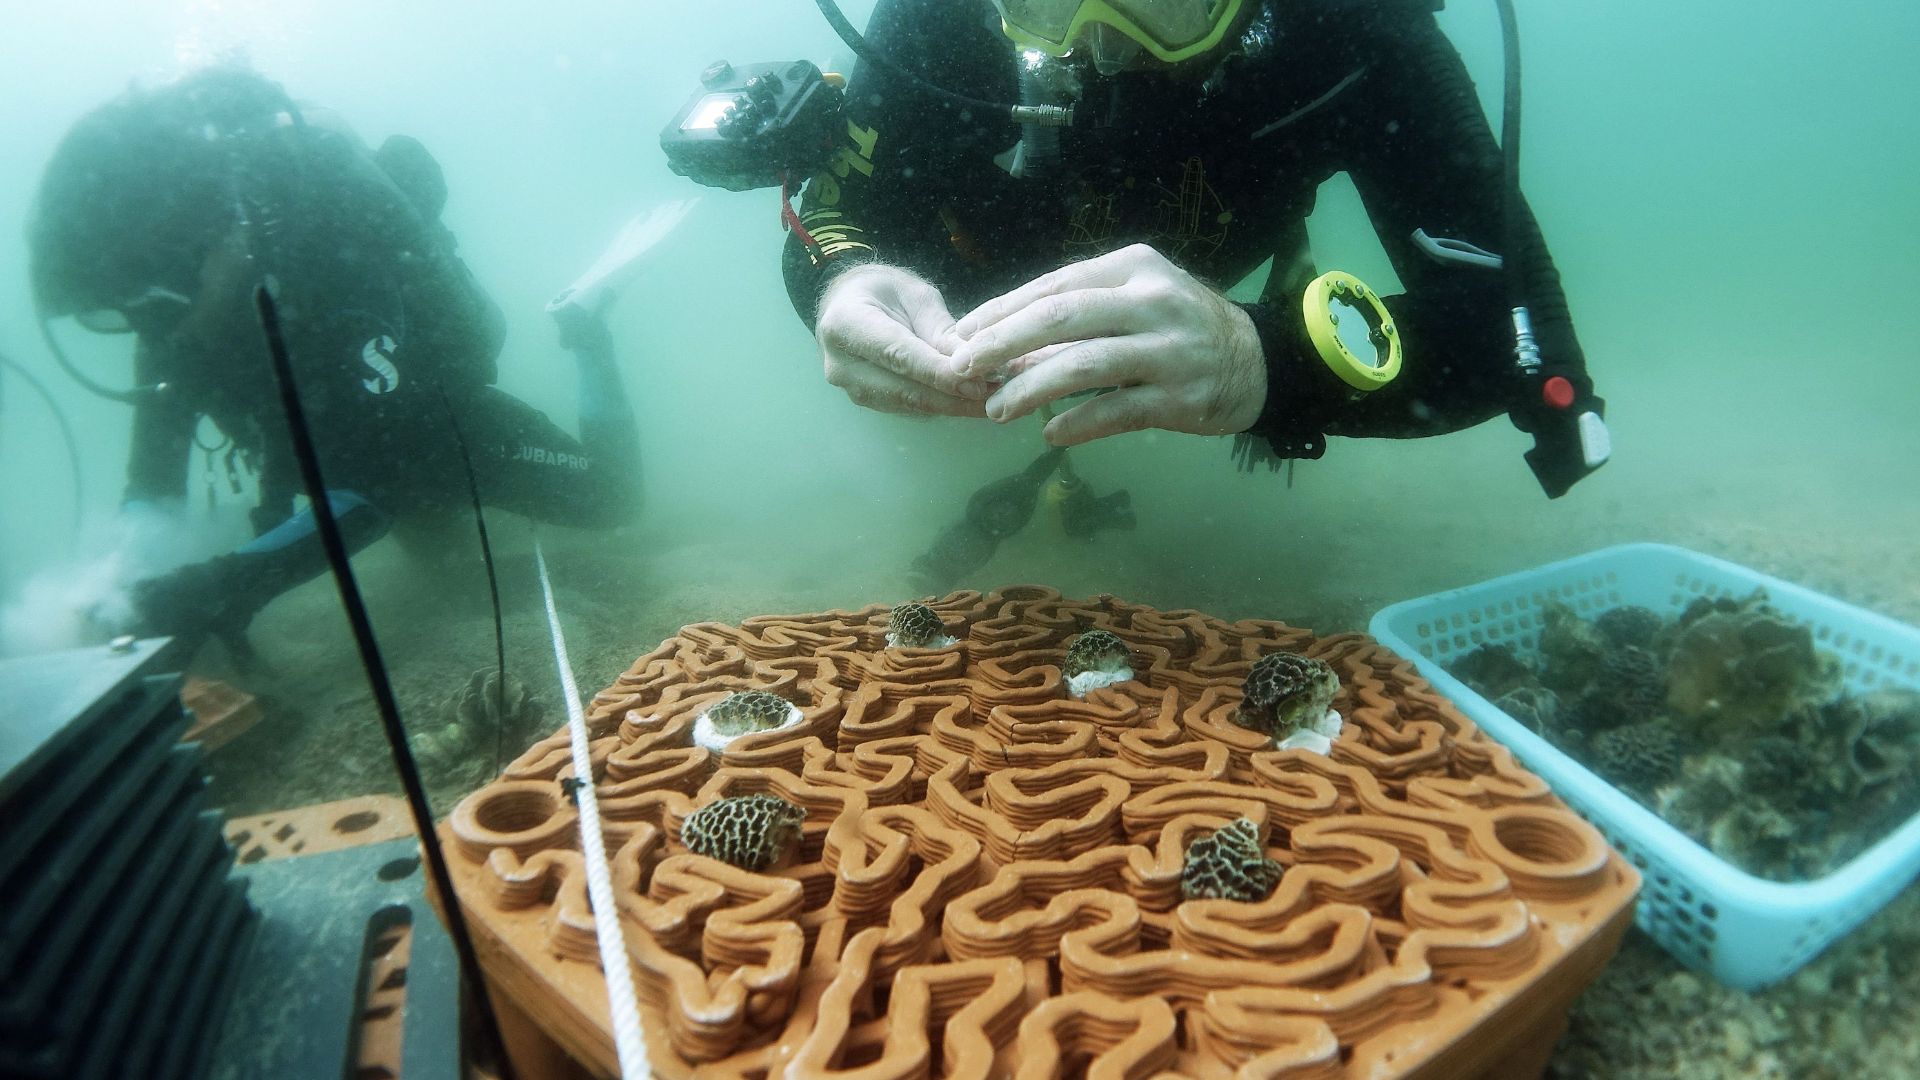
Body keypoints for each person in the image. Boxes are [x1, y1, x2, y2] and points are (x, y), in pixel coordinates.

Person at [784, 0, 1604, 490]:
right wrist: (847, 281)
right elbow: (835, 209)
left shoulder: (1349, 30)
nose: (1098, 42)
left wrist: (1267, 360)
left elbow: (1515, 333)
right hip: (963, 315)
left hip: (1214, 301)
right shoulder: (943, 16)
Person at [26, 67, 642, 656]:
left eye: (144, 305)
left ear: (217, 243)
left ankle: (584, 329)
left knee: (611, 501)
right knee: (438, 553)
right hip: (350, 454)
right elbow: (153, 479)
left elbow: (378, 484)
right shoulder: (170, 311)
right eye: (110, 316)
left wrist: (226, 586)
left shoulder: (327, 265)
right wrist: (111, 591)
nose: (148, 331)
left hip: (429, 426)